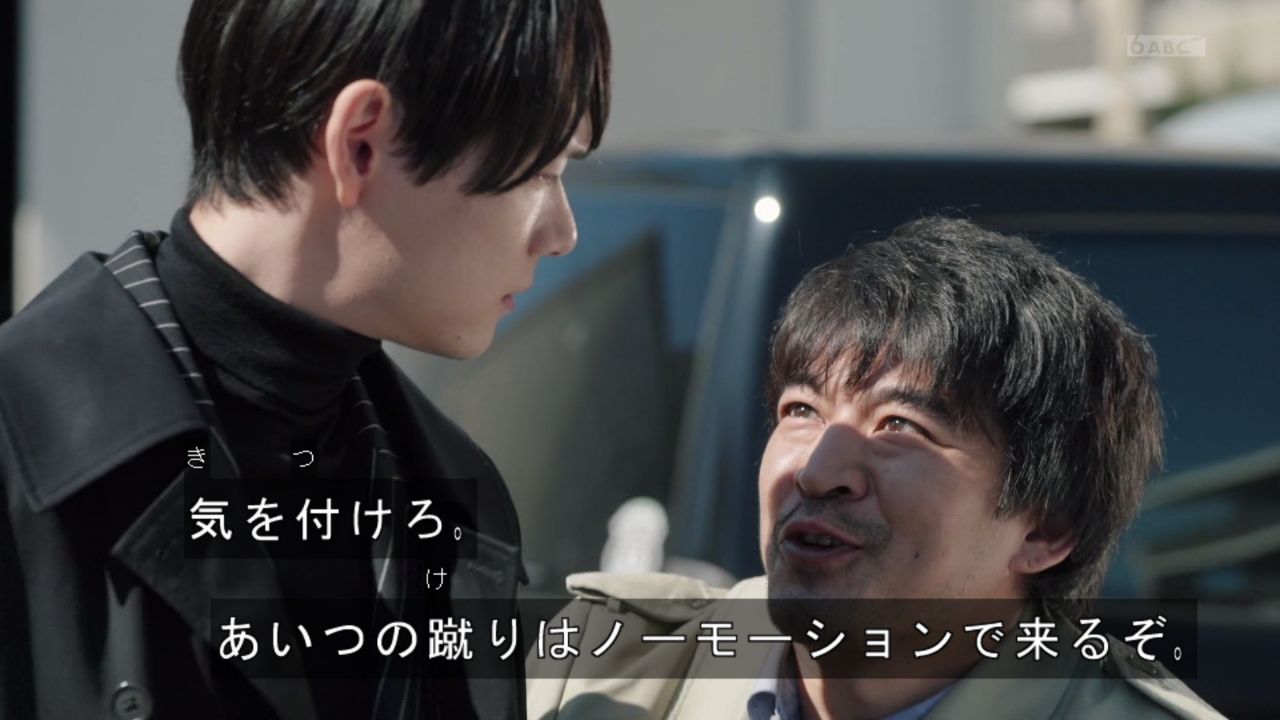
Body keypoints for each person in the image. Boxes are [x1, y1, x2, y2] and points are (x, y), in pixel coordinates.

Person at [0, 1, 610, 718]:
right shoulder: (23, 445)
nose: (563, 233)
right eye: (541, 171)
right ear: (361, 142)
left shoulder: (453, 497)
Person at [526, 217, 1225, 719]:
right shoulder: (602, 671)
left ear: (1046, 528)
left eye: (900, 426)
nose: (816, 471)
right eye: (802, 410)